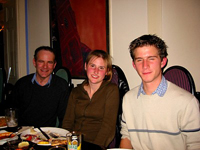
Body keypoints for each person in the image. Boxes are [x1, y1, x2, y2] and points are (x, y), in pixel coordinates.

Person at [120, 34, 200, 149]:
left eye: (151, 59)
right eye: (139, 60)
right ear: (134, 65)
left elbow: (195, 145)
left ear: (163, 62)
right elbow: (126, 136)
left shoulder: (187, 102)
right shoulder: (128, 99)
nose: (145, 66)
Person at [62, 50, 119, 149]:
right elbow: (67, 123)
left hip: (96, 145)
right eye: (92, 66)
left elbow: (108, 127)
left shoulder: (111, 90)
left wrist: (95, 147)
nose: (96, 71)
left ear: (106, 72)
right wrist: (66, 143)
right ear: (85, 66)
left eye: (101, 68)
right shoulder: (76, 91)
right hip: (73, 144)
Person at [9, 46, 70, 127]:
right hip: (23, 133)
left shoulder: (61, 86)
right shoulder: (21, 84)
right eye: (41, 61)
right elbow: (11, 112)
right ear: (34, 62)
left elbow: (65, 118)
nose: (45, 66)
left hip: (48, 134)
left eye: (49, 62)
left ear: (54, 65)